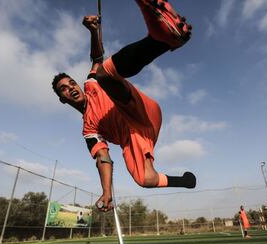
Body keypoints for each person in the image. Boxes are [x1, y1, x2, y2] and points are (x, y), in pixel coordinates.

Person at [51, 0, 196, 212]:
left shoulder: (90, 85)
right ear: (62, 99)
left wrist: (93, 31)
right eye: (64, 89)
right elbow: (104, 158)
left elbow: (97, 57)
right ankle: (185, 181)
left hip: (141, 111)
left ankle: (161, 40)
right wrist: (107, 191)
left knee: (102, 75)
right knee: (144, 178)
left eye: (71, 82)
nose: (71, 87)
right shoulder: (89, 130)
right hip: (137, 137)